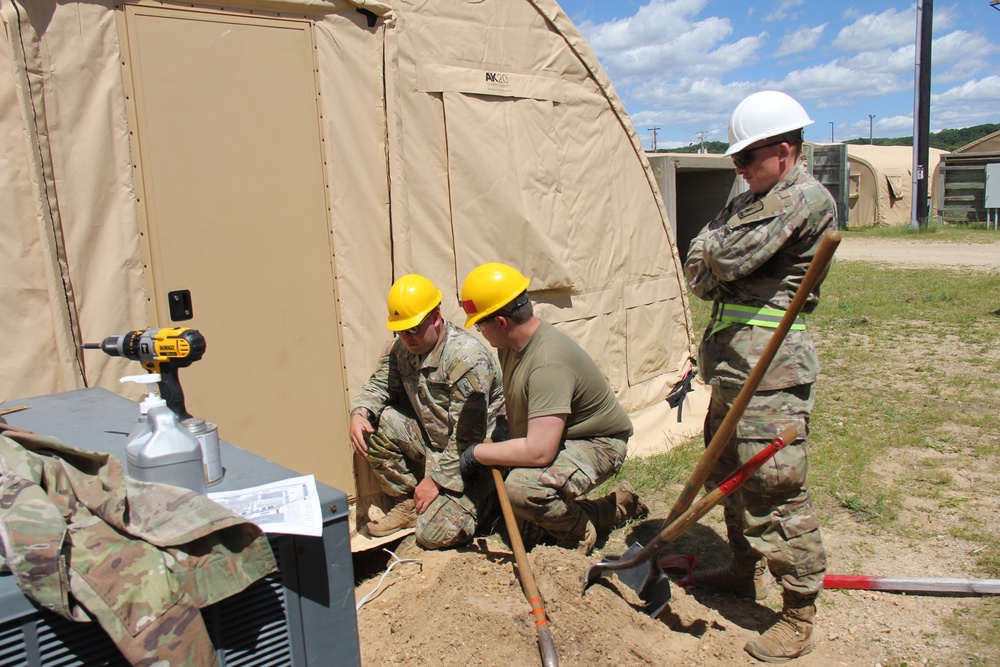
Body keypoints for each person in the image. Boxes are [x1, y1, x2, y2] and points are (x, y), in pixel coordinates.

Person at [683, 90, 835, 662]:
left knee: (774, 487)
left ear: (785, 149)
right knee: (727, 473)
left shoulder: (804, 198)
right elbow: (700, 264)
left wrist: (714, 249)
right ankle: (742, 569)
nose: (740, 171)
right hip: (732, 363)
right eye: (737, 162)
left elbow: (722, 259)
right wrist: (714, 248)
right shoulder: (753, 199)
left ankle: (797, 612)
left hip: (771, 367)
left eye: (747, 159)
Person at [456, 263, 647, 555]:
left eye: (480, 324)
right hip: (558, 436)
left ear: (502, 323)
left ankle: (580, 536)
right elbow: (520, 412)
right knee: (529, 530)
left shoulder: (547, 363)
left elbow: (539, 452)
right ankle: (617, 506)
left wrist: (477, 454)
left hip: (598, 442)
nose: (481, 332)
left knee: (523, 491)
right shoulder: (510, 345)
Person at [349, 274, 505, 549]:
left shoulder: (465, 359)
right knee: (376, 422)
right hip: (436, 447)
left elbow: (467, 439)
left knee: (431, 535)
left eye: (413, 330)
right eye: (401, 331)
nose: (407, 338)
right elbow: (381, 383)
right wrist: (360, 412)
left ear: (435, 317)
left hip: (476, 460)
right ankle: (408, 503)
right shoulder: (404, 349)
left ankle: (492, 502)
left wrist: (434, 481)